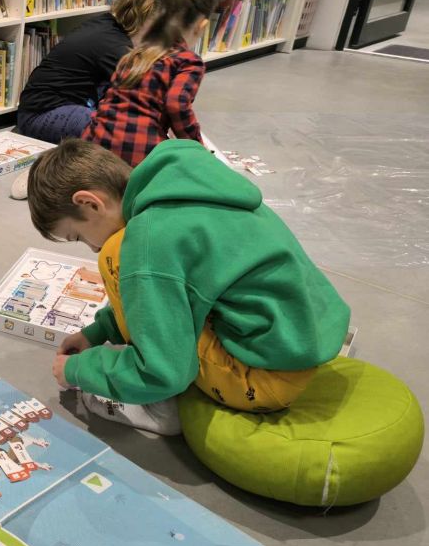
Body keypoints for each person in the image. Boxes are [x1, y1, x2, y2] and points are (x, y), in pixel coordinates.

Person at [25, 137, 351, 435]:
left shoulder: (147, 238)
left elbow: (164, 371)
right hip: (301, 342)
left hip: (266, 378)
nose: (91, 247)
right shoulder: (182, 185)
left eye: (78, 236)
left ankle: (158, 409)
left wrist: (79, 371)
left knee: (115, 255)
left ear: (90, 203)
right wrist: (99, 332)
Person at [12, 0, 164, 199]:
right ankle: (47, 170)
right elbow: (149, 93)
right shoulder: (113, 46)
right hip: (42, 114)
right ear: (147, 20)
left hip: (62, 105)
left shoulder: (106, 25)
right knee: (120, 133)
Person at [81, 0, 217, 168]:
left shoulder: (135, 53)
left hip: (96, 146)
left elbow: (109, 101)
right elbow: (177, 104)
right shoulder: (187, 61)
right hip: (139, 154)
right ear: (201, 26)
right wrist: (196, 148)